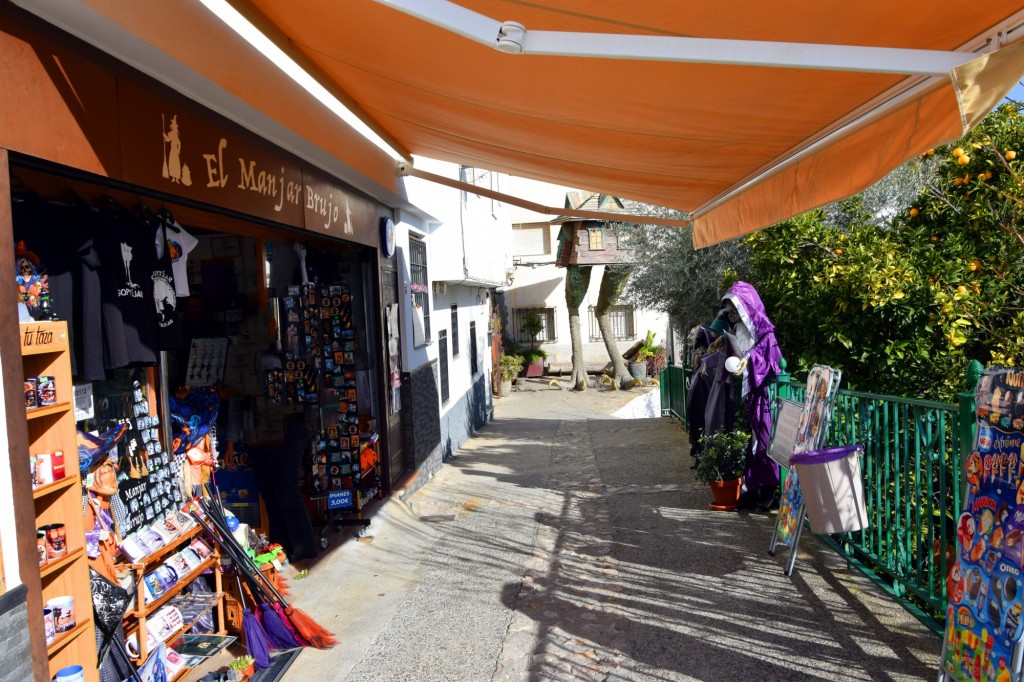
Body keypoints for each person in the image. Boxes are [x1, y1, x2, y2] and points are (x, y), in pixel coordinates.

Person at [703, 281, 783, 510]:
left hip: (763, 397)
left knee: (764, 443)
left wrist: (748, 359)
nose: (732, 314)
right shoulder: (737, 330)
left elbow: (769, 357)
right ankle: (752, 489)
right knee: (750, 444)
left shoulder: (765, 332)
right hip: (745, 397)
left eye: (735, 309)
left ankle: (768, 490)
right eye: (729, 310)